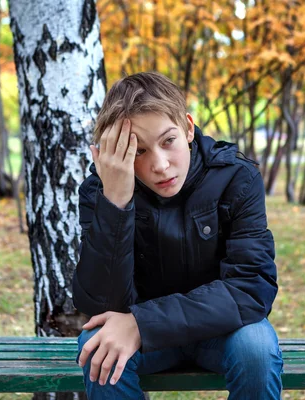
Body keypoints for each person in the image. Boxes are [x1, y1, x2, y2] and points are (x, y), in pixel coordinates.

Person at [73, 71, 282, 399]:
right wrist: (115, 202)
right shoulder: (100, 191)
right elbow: (101, 304)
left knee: (256, 346)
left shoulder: (236, 178)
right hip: (145, 342)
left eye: (167, 140)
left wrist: (143, 323)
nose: (160, 164)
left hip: (222, 331)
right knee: (96, 344)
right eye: (138, 151)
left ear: (187, 127)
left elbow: (251, 288)